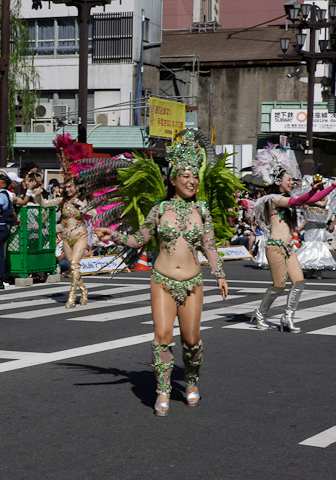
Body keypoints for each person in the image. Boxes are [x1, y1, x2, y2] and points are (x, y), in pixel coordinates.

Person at [95, 130, 229, 416]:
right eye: (185, 175)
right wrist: (114, 235)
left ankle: (191, 381)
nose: (192, 180)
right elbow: (139, 240)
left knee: (191, 340)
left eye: (195, 176)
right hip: (162, 281)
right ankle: (163, 389)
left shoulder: (202, 211)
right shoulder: (159, 210)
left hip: (193, 282)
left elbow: (210, 246)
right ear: (173, 179)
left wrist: (219, 274)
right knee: (163, 335)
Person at [251, 146, 336, 333]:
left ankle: (288, 317)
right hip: (275, 247)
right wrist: (311, 193)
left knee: (299, 281)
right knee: (279, 286)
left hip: (288, 247)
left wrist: (332, 186)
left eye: (292, 179)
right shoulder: (273, 199)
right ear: (279, 181)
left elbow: (312, 199)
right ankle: (260, 314)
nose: (292, 182)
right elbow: (297, 202)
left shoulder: (288, 197)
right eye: (289, 179)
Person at [60, 181, 93, 308]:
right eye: (66, 187)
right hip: (66, 237)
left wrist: (78, 203)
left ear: (77, 188)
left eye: (70, 187)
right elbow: (43, 203)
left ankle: (72, 297)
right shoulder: (63, 201)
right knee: (74, 269)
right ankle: (84, 291)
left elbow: (93, 213)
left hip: (80, 236)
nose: (67, 189)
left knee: (74, 264)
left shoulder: (82, 201)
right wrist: (36, 194)